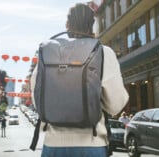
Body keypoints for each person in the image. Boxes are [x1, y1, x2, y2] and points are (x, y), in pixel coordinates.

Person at [30, 3, 129, 157]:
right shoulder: (103, 52)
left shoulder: (48, 51)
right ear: (92, 25)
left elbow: (37, 97)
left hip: (53, 145)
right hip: (91, 145)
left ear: (67, 25)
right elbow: (116, 105)